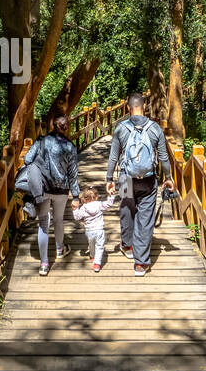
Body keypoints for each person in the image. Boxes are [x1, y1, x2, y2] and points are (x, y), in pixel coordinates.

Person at [105, 93, 173, 276]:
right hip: (149, 180)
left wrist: (109, 179)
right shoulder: (155, 129)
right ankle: (141, 264)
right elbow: (164, 158)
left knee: (127, 208)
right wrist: (168, 177)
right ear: (145, 107)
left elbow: (113, 157)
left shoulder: (121, 128)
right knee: (145, 217)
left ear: (128, 107)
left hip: (127, 178)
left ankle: (127, 246)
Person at [23, 113, 80, 276]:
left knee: (43, 224)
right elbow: (73, 174)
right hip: (62, 191)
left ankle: (44, 264)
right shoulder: (70, 147)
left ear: (52, 126)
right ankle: (60, 249)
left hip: (43, 189)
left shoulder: (41, 141)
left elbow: (27, 159)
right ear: (66, 127)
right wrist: (75, 196)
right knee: (58, 220)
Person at [72, 185, 117, 273]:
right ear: (95, 197)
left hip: (89, 231)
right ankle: (97, 263)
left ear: (84, 198)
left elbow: (77, 217)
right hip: (99, 230)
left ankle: (92, 255)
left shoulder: (83, 208)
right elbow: (109, 203)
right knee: (99, 247)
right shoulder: (99, 205)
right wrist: (111, 195)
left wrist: (75, 209)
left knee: (91, 244)